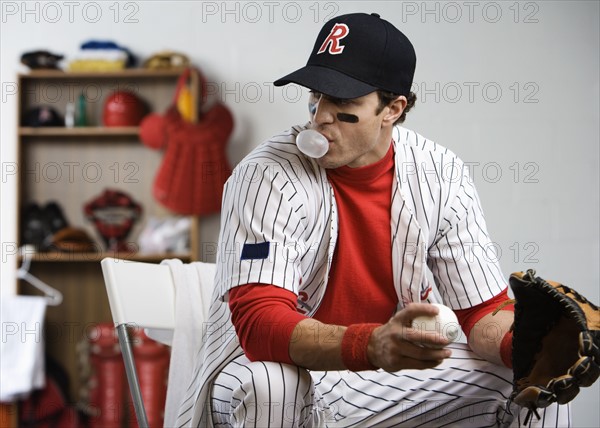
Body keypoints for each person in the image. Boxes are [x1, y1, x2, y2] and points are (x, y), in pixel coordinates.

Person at [175, 13, 570, 427]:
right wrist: (372, 344)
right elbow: (260, 324)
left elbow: (482, 312)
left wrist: (533, 345)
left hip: (377, 373)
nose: (321, 116)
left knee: (537, 379)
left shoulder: (440, 171)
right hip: (269, 367)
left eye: (343, 100)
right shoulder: (266, 173)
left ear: (393, 108)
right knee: (273, 385)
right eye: (317, 94)